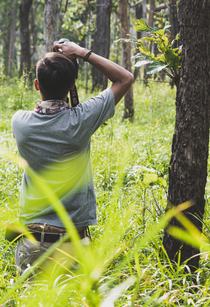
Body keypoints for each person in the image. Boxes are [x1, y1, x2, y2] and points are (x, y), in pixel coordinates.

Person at [10, 41, 134, 272]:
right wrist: (81, 53)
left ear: (37, 85)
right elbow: (124, 78)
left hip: (33, 241)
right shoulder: (81, 120)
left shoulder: (20, 122)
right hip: (73, 243)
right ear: (71, 87)